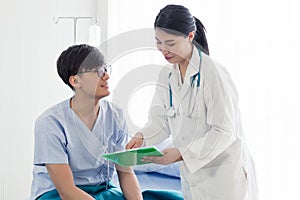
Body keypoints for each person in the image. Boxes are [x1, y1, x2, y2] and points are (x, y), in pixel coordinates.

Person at [126, 4, 258, 200]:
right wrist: (141, 137)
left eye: (170, 43)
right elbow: (160, 121)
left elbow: (223, 131)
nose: (163, 50)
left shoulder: (213, 72)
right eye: (158, 42)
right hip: (192, 175)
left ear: (190, 36)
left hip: (222, 174)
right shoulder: (167, 75)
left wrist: (180, 154)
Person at [30, 44, 142, 200]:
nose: (106, 76)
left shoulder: (115, 114)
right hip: (59, 195)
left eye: (106, 69)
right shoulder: (50, 122)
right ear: (75, 81)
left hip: (102, 191)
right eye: (99, 71)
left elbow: (126, 174)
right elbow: (66, 190)